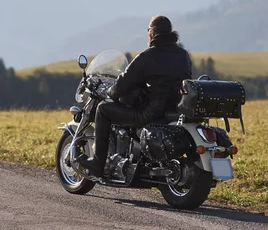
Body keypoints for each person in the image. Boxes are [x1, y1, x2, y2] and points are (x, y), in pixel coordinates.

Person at [78, 15, 193, 178]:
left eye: (148, 30)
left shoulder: (148, 56)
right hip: (173, 110)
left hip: (150, 113)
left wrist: (110, 92)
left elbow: (123, 83)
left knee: (103, 109)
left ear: (152, 32)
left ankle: (98, 163)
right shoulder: (183, 55)